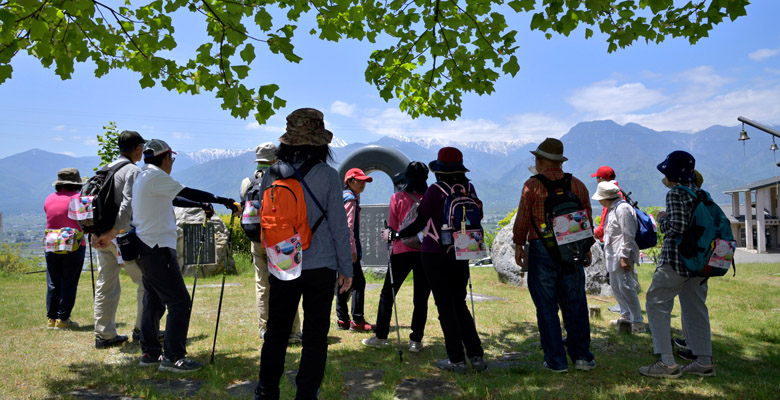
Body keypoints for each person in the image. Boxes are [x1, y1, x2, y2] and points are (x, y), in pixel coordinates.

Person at [254, 108, 353, 400]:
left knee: (277, 331)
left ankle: (266, 391)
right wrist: (345, 269)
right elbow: (339, 227)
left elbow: (265, 219)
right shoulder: (327, 175)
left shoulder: (271, 172)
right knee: (314, 335)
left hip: (283, 261)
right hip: (320, 266)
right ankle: (306, 393)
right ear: (320, 143)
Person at [132, 139, 239, 373]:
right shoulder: (157, 176)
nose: (172, 163)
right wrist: (223, 200)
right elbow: (185, 191)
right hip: (158, 247)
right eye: (171, 158)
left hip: (146, 246)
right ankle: (173, 357)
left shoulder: (144, 176)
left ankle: (150, 352)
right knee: (179, 302)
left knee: (153, 299)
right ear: (163, 158)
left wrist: (201, 205)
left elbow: (175, 198)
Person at [396, 147, 486, 373]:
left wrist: (398, 234)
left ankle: (455, 359)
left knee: (445, 306)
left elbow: (420, 222)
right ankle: (476, 355)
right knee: (460, 303)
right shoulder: (469, 188)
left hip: (435, 253)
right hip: (461, 251)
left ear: (440, 170)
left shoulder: (435, 190)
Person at [512, 138, 596, 373]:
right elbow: (586, 220)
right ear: (559, 162)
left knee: (547, 306)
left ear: (539, 161)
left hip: (542, 250)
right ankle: (582, 357)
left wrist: (519, 245)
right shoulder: (577, 185)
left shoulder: (532, 186)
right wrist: (586, 247)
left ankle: (556, 361)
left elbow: (522, 219)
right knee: (576, 302)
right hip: (572, 250)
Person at [640, 153, 714, 378]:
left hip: (676, 260)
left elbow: (677, 228)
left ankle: (666, 362)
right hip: (700, 262)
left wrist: (662, 218)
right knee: (695, 307)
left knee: (656, 302)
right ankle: (703, 361)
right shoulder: (702, 193)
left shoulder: (676, 193)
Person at [363, 161, 431, 352]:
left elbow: (392, 229)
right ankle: (416, 341)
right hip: (425, 251)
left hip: (401, 250)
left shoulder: (398, 198)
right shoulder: (429, 198)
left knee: (388, 294)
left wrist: (388, 237)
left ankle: (381, 336)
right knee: (421, 298)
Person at [240, 142, 303, 344]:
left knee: (262, 285)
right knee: (288, 282)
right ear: (276, 158)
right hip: (281, 239)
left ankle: (265, 329)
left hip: (257, 239)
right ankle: (293, 331)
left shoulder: (247, 182)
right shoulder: (283, 178)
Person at [90, 130, 148, 349]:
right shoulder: (132, 170)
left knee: (106, 285)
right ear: (137, 149)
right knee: (145, 282)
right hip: (119, 237)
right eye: (141, 149)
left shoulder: (106, 169)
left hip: (101, 235)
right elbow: (128, 204)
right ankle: (142, 330)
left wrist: (99, 234)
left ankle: (104, 335)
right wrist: (113, 233)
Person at [592, 181, 644, 333]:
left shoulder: (623, 209)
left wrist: (625, 256)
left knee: (627, 287)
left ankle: (637, 322)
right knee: (617, 287)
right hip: (612, 255)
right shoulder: (612, 209)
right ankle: (626, 316)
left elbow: (628, 235)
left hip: (621, 255)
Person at [43, 168, 87, 330]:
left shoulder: (49, 199)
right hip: (74, 244)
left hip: (51, 243)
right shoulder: (78, 198)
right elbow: (86, 221)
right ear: (76, 184)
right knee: (69, 281)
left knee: (53, 281)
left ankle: (51, 318)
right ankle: (63, 319)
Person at [335, 167, 375, 332]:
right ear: (350, 181)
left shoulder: (344, 197)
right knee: (359, 283)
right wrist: (352, 250)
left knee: (343, 281)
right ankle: (357, 320)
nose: (363, 184)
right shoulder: (350, 200)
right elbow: (348, 227)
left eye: (365, 181)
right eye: (360, 181)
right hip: (348, 248)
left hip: (339, 246)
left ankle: (343, 319)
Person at [591, 166, 623, 243]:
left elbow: (606, 220)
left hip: (613, 242)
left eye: (597, 178)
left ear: (601, 179)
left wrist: (596, 232)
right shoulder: (620, 191)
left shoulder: (608, 194)